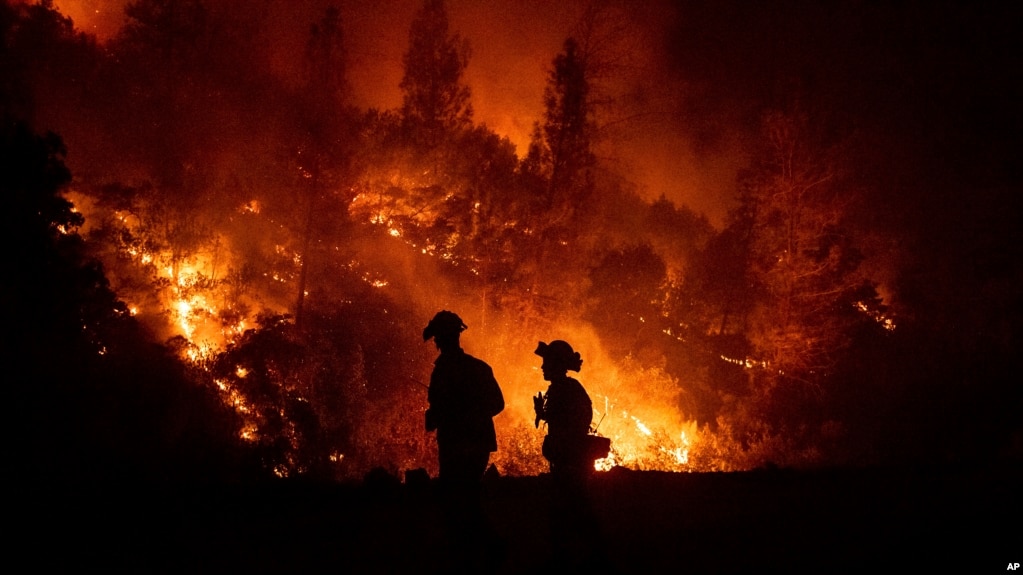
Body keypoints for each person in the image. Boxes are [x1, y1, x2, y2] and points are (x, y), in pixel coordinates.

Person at [423, 310, 505, 569]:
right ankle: (479, 551)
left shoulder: (443, 371)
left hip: (457, 445)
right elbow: (497, 403)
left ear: (438, 339)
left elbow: (441, 408)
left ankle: (482, 551)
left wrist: (449, 414)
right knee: (465, 497)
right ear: (458, 335)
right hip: (478, 445)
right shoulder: (479, 368)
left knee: (458, 499)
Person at [533, 340, 593, 478]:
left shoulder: (567, 388)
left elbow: (569, 421)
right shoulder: (563, 387)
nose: (542, 366)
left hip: (571, 460)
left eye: (546, 362)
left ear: (556, 364)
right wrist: (542, 414)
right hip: (566, 458)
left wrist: (543, 414)